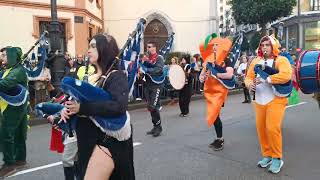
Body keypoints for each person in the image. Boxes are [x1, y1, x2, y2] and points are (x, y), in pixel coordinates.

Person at [60, 34, 135, 179]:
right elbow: (80, 101)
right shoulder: (93, 76)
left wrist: (82, 109)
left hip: (106, 142)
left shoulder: (116, 76)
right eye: (89, 46)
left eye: (93, 46)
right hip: (86, 141)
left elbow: (118, 106)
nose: (89, 50)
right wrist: (67, 109)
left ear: (105, 49)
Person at [245, 35, 292, 174]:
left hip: (276, 99)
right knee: (261, 129)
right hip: (259, 99)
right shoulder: (256, 61)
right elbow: (248, 77)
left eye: (267, 44)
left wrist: (267, 79)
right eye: (262, 45)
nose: (264, 47)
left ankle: (277, 157)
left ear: (273, 46)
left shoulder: (281, 59)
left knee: (272, 128)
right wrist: (249, 84)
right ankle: (267, 155)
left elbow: (286, 75)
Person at [199, 37, 234, 151]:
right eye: (212, 45)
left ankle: (220, 139)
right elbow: (201, 77)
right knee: (214, 116)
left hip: (220, 92)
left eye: (216, 45)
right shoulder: (208, 61)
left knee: (215, 114)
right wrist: (203, 77)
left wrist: (216, 74)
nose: (214, 47)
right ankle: (219, 138)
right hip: (209, 91)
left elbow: (229, 75)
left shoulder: (226, 59)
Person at [0, 47, 28, 178]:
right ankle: (20, 159)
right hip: (15, 106)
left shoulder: (17, 71)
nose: (2, 58)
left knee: (6, 133)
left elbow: (5, 84)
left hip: (14, 107)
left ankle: (9, 165)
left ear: (12, 57)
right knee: (18, 133)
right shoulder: (11, 69)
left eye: (5, 55)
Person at [141, 41, 164, 137]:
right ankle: (155, 126)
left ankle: (158, 127)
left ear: (154, 48)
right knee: (150, 107)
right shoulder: (148, 58)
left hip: (156, 85)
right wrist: (141, 65)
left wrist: (146, 69)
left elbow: (158, 69)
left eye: (149, 47)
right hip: (148, 85)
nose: (148, 48)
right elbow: (144, 67)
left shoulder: (159, 58)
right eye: (147, 47)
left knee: (153, 106)